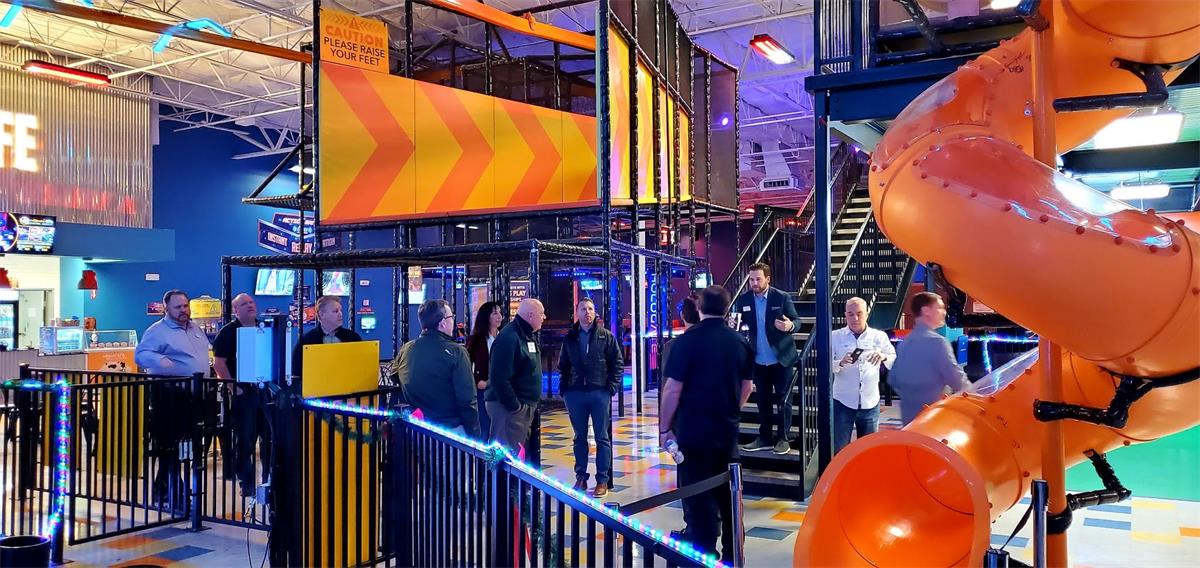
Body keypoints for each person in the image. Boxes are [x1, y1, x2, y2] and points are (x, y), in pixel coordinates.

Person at [659, 286, 754, 562]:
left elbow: (672, 389)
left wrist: (664, 428)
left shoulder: (686, 342)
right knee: (730, 499)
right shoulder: (740, 342)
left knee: (700, 503)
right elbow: (747, 387)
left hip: (693, 434)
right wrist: (730, 409)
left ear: (699, 307)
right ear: (726, 308)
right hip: (727, 433)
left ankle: (705, 557)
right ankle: (733, 558)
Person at [135, 289, 211, 507]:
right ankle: (172, 492)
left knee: (184, 446)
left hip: (195, 396)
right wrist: (160, 361)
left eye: (185, 306)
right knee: (170, 446)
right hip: (170, 396)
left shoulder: (195, 329)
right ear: (166, 309)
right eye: (178, 307)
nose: (183, 310)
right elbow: (141, 355)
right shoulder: (157, 331)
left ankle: (167, 491)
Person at [558, 298, 623, 498]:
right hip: (575, 393)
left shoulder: (606, 336)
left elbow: (617, 364)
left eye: (591, 309)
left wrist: (610, 388)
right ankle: (581, 477)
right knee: (579, 437)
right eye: (583, 309)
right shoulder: (570, 338)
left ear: (595, 312)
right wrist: (565, 389)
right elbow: (563, 365)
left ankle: (602, 479)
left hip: (599, 392)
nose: (587, 312)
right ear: (577, 313)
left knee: (602, 437)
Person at [732, 263, 799, 455]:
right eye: (751, 279)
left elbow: (797, 321)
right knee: (763, 400)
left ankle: (783, 438)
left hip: (781, 358)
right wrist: (733, 325)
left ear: (768, 279)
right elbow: (740, 325)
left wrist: (790, 326)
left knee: (783, 400)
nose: (754, 283)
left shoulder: (781, 297)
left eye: (758, 279)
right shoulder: (743, 300)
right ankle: (765, 437)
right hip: (758, 360)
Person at [212, 293, 273, 496]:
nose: (250, 305)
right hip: (243, 393)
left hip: (265, 392)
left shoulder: (265, 327)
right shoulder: (228, 332)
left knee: (269, 438)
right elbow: (219, 363)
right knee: (245, 440)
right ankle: (246, 483)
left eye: (251, 302)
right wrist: (233, 387)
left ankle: (269, 481)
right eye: (244, 304)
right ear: (235, 310)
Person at [394, 300, 480, 437]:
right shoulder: (456, 352)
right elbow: (467, 400)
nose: (453, 321)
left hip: (416, 428)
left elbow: (395, 378)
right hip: (450, 430)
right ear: (443, 323)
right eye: (451, 317)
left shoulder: (406, 349)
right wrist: (475, 435)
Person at [888, 292, 972, 425]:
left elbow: (893, 379)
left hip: (909, 419)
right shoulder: (938, 342)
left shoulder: (905, 343)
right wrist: (975, 396)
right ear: (926, 311)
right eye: (940, 308)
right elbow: (956, 379)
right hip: (934, 418)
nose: (944, 312)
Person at [831, 297, 896, 454]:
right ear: (845, 315)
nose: (855, 318)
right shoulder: (834, 337)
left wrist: (883, 356)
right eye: (851, 314)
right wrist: (840, 362)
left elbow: (893, 358)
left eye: (859, 314)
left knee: (869, 450)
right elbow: (824, 364)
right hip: (843, 401)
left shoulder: (879, 336)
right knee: (840, 449)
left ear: (867, 314)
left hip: (870, 401)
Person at [485, 298, 546, 452]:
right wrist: (514, 406)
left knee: (515, 454)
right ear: (531, 315)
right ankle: (494, 470)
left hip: (520, 408)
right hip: (509, 410)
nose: (544, 317)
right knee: (502, 455)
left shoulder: (526, 334)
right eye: (541, 313)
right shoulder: (509, 337)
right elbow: (499, 378)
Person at [291, 295, 362, 389]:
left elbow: (360, 368)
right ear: (321, 315)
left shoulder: (353, 338)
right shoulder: (306, 340)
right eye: (335, 311)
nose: (340, 314)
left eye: (340, 310)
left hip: (348, 391)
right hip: (316, 392)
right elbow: (297, 372)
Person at [466, 301, 504, 437]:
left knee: (500, 426)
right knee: (485, 425)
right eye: (494, 313)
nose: (499, 316)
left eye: (500, 313)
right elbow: (468, 363)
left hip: (502, 388)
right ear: (486, 316)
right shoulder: (476, 339)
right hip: (483, 389)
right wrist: (477, 381)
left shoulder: (504, 337)